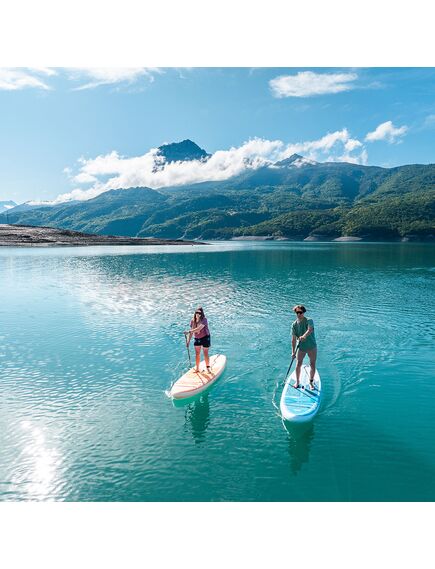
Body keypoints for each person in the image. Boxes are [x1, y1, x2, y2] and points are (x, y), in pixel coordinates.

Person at [291, 304, 317, 390]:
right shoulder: (294, 325)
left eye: (300, 312)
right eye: (297, 312)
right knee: (298, 364)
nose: (298, 314)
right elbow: (293, 339)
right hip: (301, 347)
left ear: (303, 312)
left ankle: (311, 382)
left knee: (312, 364)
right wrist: (293, 352)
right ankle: (297, 381)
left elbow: (310, 330)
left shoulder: (309, 320)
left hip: (311, 346)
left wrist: (304, 336)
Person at [185, 307, 211, 373]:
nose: (198, 314)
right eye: (196, 312)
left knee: (205, 353)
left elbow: (198, 329)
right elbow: (192, 332)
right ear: (195, 313)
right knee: (197, 353)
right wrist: (188, 341)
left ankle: (208, 368)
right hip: (197, 338)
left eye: (199, 313)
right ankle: (197, 369)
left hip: (205, 337)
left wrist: (189, 331)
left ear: (202, 313)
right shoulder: (193, 321)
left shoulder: (204, 320)